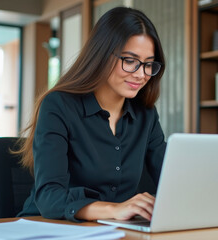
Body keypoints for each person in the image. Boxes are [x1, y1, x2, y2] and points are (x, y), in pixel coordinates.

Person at [16, 7, 167, 222]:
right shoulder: (58, 105)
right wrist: (114, 210)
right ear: (102, 54)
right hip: (47, 227)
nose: (141, 74)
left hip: (111, 230)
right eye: (130, 61)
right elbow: (50, 198)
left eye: (148, 64)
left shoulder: (146, 115)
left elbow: (171, 180)